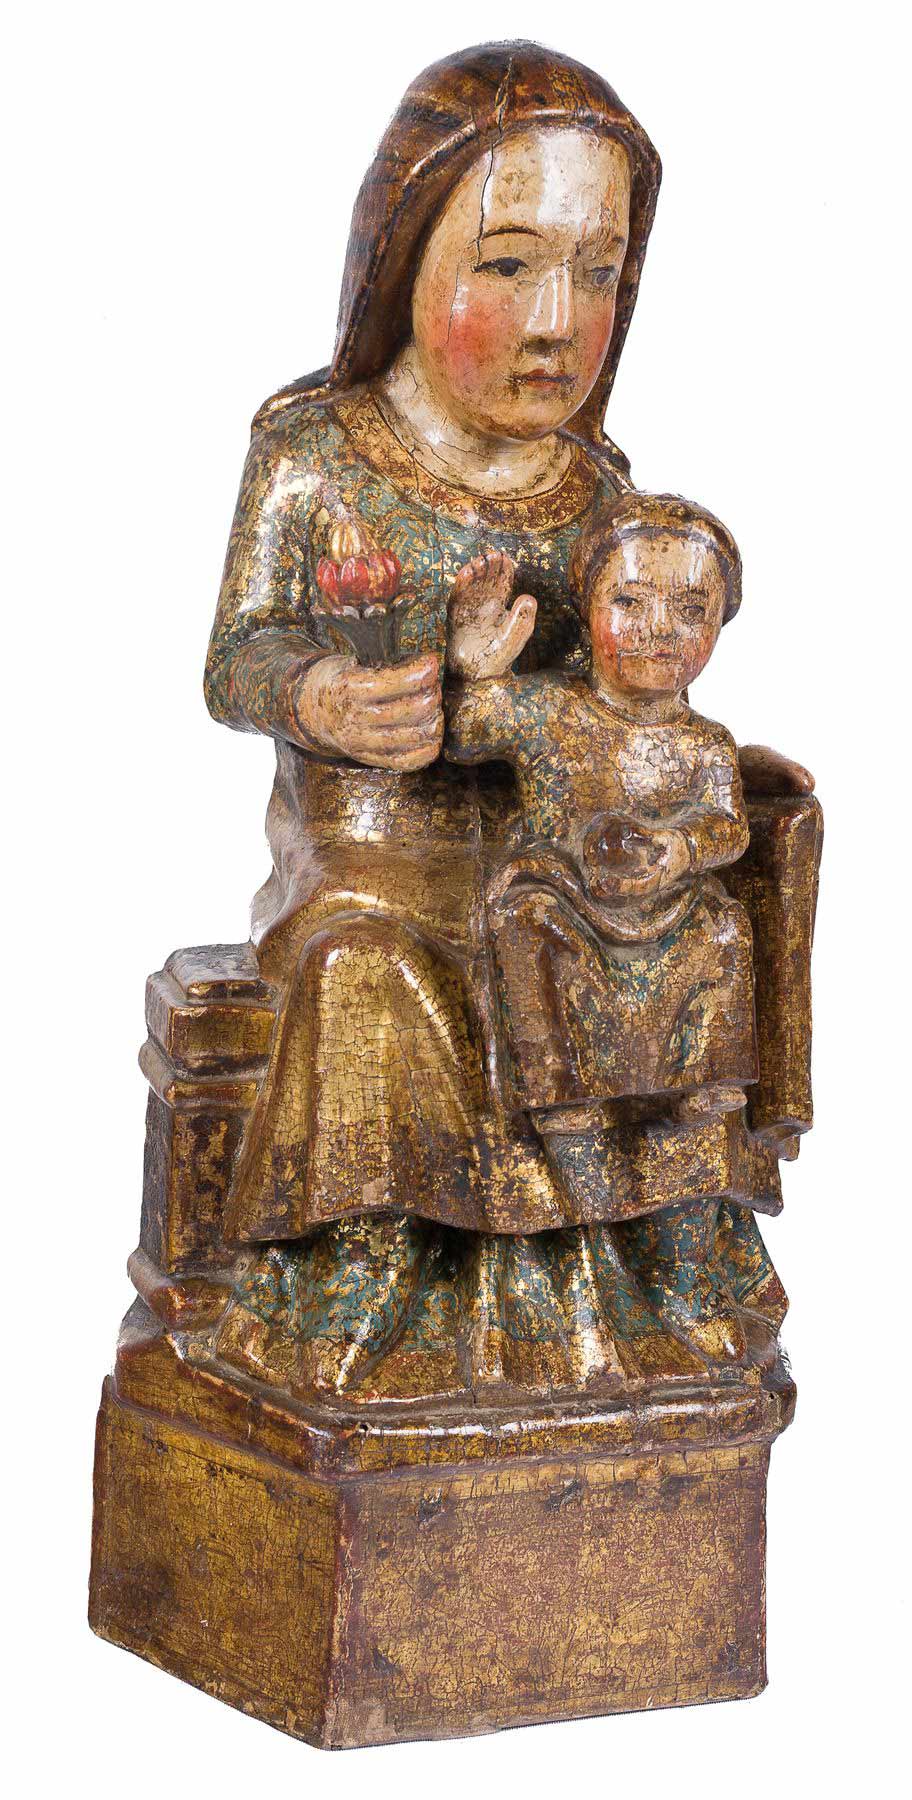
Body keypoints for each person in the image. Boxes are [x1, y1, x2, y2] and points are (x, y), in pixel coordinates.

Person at [200, 44, 797, 1403]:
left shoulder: (597, 490)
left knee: (666, 951)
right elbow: (234, 657)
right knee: (369, 973)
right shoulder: (314, 453)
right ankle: (360, 1284)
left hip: (560, 855)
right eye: (510, 265)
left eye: (599, 272)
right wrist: (319, 695)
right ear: (400, 257)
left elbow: (628, 688)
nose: (555, 322)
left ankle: (628, 1280)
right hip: (368, 862)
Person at [445, 493, 760, 1355]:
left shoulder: (704, 743)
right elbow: (468, 732)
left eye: (691, 608)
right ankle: (578, 1164)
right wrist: (476, 663)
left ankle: (689, 1224)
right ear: (586, 612)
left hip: (669, 914)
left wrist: (679, 848)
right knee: (528, 919)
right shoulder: (551, 710)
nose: (661, 628)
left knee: (724, 933)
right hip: (566, 906)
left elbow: (727, 826)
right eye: (630, 601)